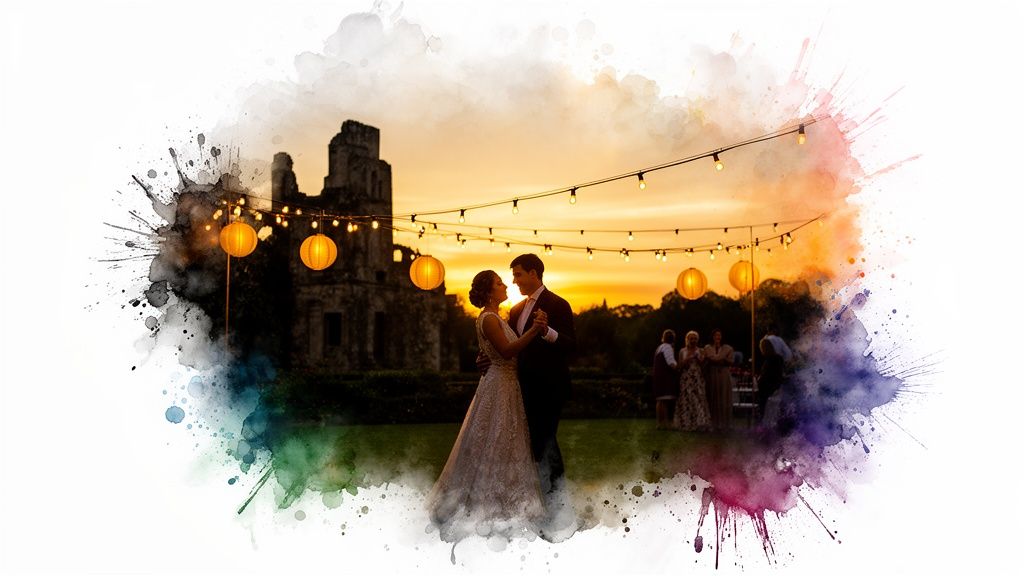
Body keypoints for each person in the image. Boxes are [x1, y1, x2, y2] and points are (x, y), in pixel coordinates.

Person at [427, 270, 546, 541]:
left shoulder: (497, 317)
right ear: (490, 291)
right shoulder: (489, 318)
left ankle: (507, 503)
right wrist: (535, 330)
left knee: (504, 442)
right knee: (494, 440)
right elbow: (507, 351)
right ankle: (488, 505)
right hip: (498, 385)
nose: (505, 286)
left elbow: (494, 352)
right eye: (499, 283)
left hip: (506, 384)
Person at [507, 254, 576, 495]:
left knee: (545, 439)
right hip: (522, 387)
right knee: (534, 442)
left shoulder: (558, 304)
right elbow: (510, 345)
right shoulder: (515, 310)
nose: (514, 281)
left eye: (518, 275)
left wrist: (547, 331)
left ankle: (558, 495)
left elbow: (571, 345)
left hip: (549, 387)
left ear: (534, 273)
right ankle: (542, 492)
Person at [673, 330, 711, 431]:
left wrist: (699, 359)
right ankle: (686, 423)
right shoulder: (682, 351)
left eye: (695, 339)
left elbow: (703, 366)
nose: (693, 340)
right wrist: (687, 359)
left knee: (698, 399)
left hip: (697, 378)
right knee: (686, 399)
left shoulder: (701, 350)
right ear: (687, 340)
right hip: (686, 378)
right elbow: (679, 366)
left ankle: (700, 423)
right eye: (691, 338)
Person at [702, 329, 734, 432]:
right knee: (712, 397)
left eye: (719, 335)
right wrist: (720, 359)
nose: (718, 337)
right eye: (716, 335)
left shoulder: (728, 348)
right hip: (712, 375)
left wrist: (722, 360)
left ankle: (724, 424)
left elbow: (730, 361)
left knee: (723, 397)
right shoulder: (707, 347)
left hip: (723, 375)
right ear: (712, 337)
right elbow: (708, 359)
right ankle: (713, 423)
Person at [651, 329, 678, 430]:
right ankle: (666, 423)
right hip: (665, 377)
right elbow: (671, 363)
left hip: (658, 376)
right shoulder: (667, 347)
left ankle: (659, 423)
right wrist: (679, 368)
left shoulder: (660, 347)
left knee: (659, 400)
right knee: (665, 401)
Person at [756, 336, 785, 425]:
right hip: (772, 387)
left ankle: (762, 425)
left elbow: (768, 375)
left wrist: (760, 379)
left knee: (763, 409)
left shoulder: (770, 360)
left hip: (768, 389)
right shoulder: (776, 358)